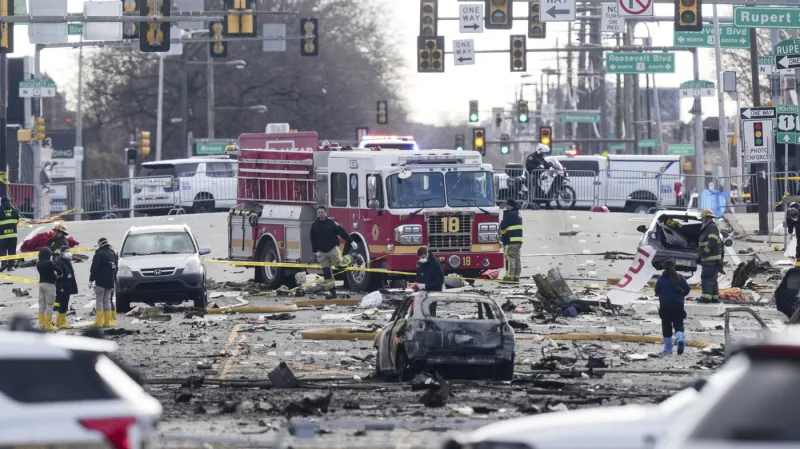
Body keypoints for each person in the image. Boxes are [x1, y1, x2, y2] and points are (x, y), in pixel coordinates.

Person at [310, 206, 359, 299]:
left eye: (322, 212)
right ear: (317, 214)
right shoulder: (314, 225)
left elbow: (341, 232)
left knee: (340, 264)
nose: (320, 214)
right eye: (319, 212)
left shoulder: (331, 223)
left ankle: (353, 257)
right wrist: (315, 251)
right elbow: (312, 239)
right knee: (327, 272)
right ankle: (332, 292)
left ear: (325, 213)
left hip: (333, 249)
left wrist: (351, 241)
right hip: (321, 252)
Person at [655, 260, 691, 355]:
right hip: (678, 304)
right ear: (674, 266)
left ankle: (668, 349)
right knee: (678, 324)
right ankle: (680, 338)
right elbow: (687, 289)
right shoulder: (680, 278)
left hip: (665, 306)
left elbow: (656, 291)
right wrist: (681, 295)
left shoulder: (661, 279)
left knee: (666, 326)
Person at [89, 237, 118, 328]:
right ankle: (107, 322)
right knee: (107, 300)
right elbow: (115, 268)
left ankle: (98, 322)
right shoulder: (113, 253)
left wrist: (91, 279)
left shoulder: (99, 254)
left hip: (101, 281)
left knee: (99, 301)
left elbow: (94, 269)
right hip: (110, 281)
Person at [698, 209, 723, 304]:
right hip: (711, 259)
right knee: (712, 278)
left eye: (702, 218)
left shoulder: (711, 227)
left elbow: (712, 242)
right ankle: (714, 297)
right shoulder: (709, 227)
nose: (701, 220)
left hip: (710, 258)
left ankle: (706, 297)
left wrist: (705, 252)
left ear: (707, 218)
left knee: (707, 278)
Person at [52, 244, 78, 330]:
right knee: (63, 304)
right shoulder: (60, 262)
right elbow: (58, 276)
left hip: (67, 285)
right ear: (62, 253)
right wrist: (59, 287)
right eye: (67, 251)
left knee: (64, 304)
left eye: (69, 251)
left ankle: (58, 322)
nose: (69, 253)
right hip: (63, 287)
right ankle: (62, 322)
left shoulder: (66, 261)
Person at [36, 247, 61, 331]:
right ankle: (48, 325)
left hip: (41, 284)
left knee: (41, 306)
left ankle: (41, 324)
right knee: (50, 305)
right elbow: (59, 270)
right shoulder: (49, 263)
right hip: (50, 284)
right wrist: (56, 276)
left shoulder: (38, 263)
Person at [500, 198, 523, 283]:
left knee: (510, 258)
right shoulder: (518, 213)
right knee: (517, 258)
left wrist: (500, 226)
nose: (505, 206)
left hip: (510, 240)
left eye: (507, 205)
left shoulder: (510, 214)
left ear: (510, 205)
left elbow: (503, 225)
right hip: (518, 241)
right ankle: (516, 276)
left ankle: (509, 277)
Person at [0, 196, 19, 272]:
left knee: (2, 250)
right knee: (12, 250)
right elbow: (17, 221)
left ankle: (4, 263)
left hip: (2, 235)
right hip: (13, 235)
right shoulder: (14, 210)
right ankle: (10, 266)